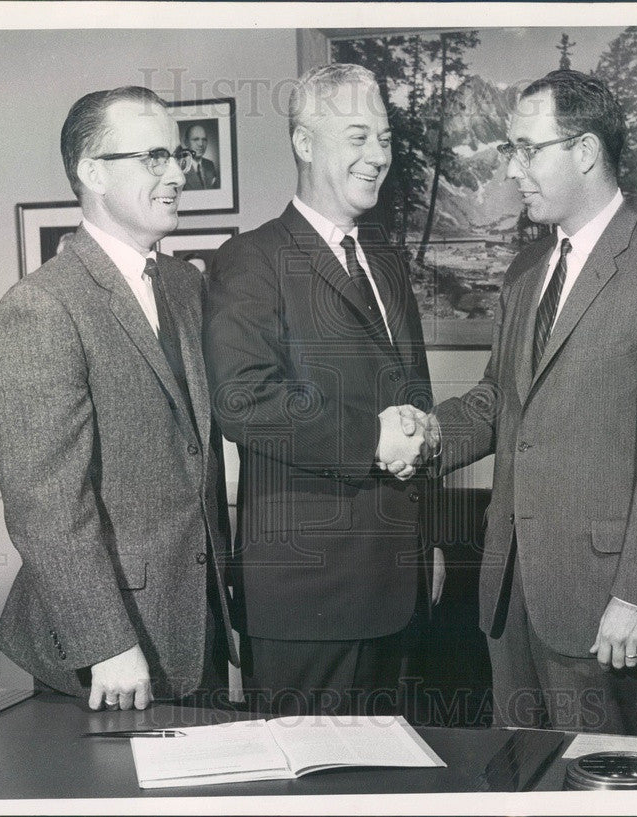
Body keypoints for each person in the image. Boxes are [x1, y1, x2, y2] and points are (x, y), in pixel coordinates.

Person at [427, 69, 637, 735]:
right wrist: (427, 435)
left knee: (605, 789)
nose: (513, 171)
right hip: (509, 597)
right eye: (509, 150)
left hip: (604, 610)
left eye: (527, 149)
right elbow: (500, 402)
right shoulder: (525, 271)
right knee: (521, 782)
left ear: (585, 151)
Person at [0, 86, 237, 711]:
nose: (178, 174)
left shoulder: (182, 285)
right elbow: (45, 503)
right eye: (154, 157)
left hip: (194, 625)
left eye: (178, 156)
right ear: (92, 172)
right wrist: (105, 642)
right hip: (107, 650)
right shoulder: (43, 307)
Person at [203, 63, 443, 717]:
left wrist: (432, 543)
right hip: (305, 606)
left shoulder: (387, 265)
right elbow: (244, 399)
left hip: (400, 594)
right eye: (359, 136)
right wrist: (371, 438)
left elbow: (414, 409)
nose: (378, 157)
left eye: (386, 139)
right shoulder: (250, 258)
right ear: (305, 143)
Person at [183, 123, 219, 190]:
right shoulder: (180, 167)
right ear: (186, 142)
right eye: (196, 139)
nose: (201, 144)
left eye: (204, 139)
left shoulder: (210, 164)